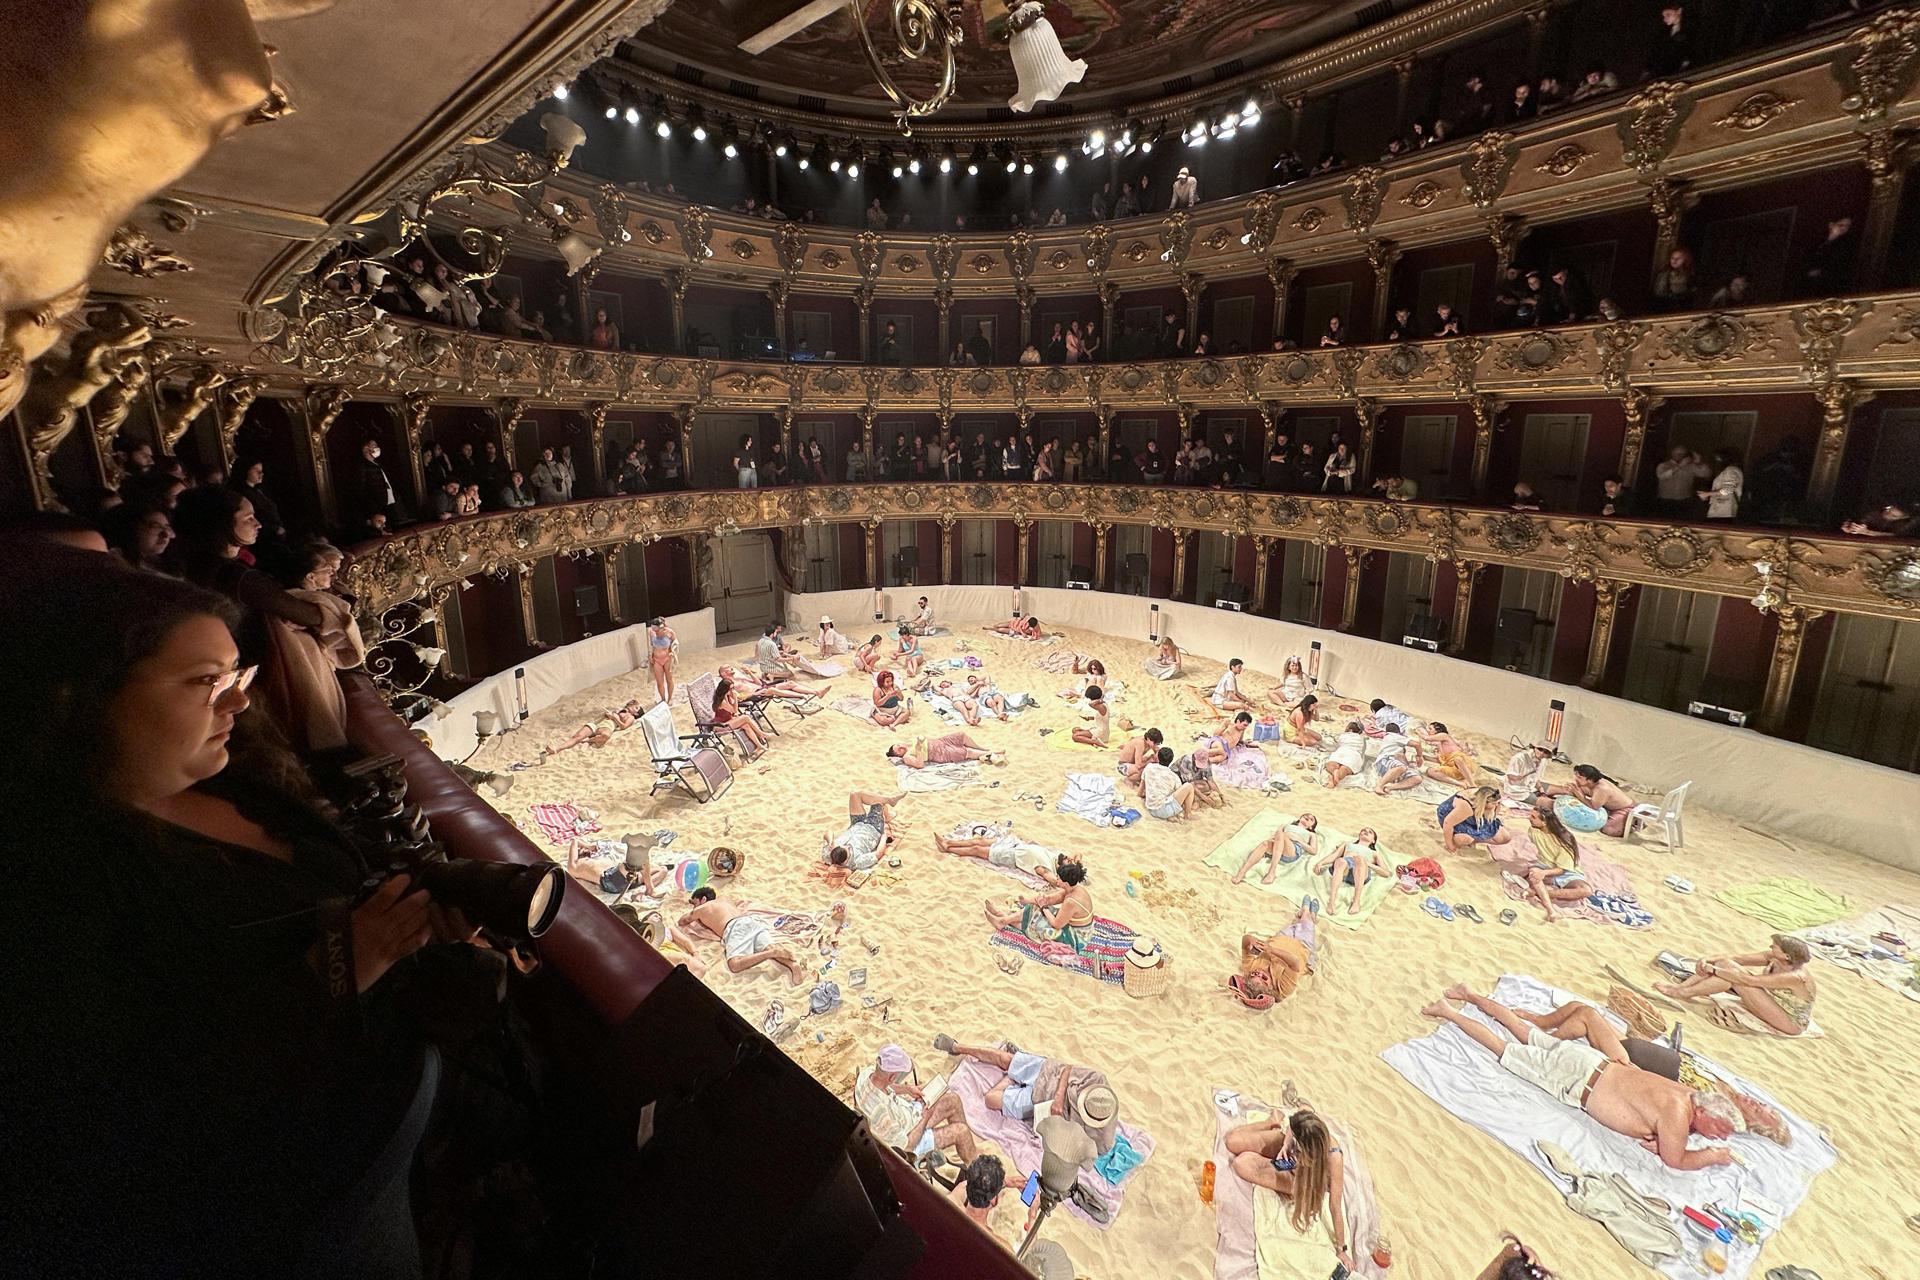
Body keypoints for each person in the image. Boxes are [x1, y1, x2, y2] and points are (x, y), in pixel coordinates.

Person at [3, 550, 471, 1277]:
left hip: (385, 1145)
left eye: (237, 676)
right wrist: (344, 964)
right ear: (81, 695)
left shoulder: (236, 776)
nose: (239, 704)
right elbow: (117, 1126)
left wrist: (415, 915)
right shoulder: (47, 890)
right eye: (205, 683)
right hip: (296, 1220)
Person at [1421, 985, 1740, 1170]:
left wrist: (1668, 1138)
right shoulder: (1678, 1115)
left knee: (1523, 1030)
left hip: (1591, 1062)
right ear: (1702, 1112)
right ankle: (1448, 1011)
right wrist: (1712, 1156)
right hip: (1576, 1080)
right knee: (1502, 1047)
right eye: (1719, 1129)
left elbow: (1662, 1124)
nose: (1719, 1137)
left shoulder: (1685, 1094)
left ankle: (1469, 994)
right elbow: (1675, 1160)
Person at [931, 1037, 1120, 1155]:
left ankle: (1011, 1079)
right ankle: (958, 1047)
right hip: (1049, 1073)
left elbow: (1069, 1149)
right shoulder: (1098, 1082)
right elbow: (1068, 1069)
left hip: (1038, 1103)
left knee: (990, 1100)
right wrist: (1059, 1097)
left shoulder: (1101, 1142)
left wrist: (1056, 1123)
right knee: (1004, 1059)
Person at [1223, 1109, 1355, 1274]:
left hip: (1303, 1179)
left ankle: (1268, 1164)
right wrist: (1286, 1144)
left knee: (1241, 1163)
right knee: (1232, 1141)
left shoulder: (1334, 1158)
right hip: (1290, 1155)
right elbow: (1292, 1127)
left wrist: (1342, 1249)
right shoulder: (1306, 1123)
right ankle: (1271, 1121)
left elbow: (1335, 1206)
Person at [1654, 935, 1818, 1035]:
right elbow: (1737, 958)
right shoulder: (1775, 958)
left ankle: (1683, 993)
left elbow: (1749, 981)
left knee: (1733, 977)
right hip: (1772, 1001)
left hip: (1790, 1021)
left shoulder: (1795, 977)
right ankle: (1682, 990)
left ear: (1787, 956)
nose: (1770, 948)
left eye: (1775, 947)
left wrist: (1715, 969)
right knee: (1726, 966)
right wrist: (1708, 960)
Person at [855, 1044, 981, 1166]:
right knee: (961, 1132)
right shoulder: (882, 1114)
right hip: (911, 1140)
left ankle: (968, 1151)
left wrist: (908, 1089)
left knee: (952, 1100)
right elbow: (906, 1147)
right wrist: (925, 1118)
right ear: (892, 1077)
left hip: (907, 1116)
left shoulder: (867, 1074)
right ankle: (977, 1170)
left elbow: (885, 1084)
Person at [680, 887, 806, 985]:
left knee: (734, 964)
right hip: (751, 921)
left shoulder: (702, 908)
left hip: (734, 928)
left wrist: (695, 911)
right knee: (768, 946)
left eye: (695, 903)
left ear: (703, 899)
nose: (694, 906)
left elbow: (682, 921)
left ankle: (770, 953)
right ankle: (793, 966)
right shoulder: (724, 899)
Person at [984, 857, 1094, 944]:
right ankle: (1004, 919)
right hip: (1069, 924)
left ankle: (1003, 920)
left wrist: (1043, 907)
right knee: (1033, 908)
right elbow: (1050, 899)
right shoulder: (1073, 888)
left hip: (1075, 938)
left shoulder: (1071, 901)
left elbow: (1056, 924)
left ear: (1065, 883)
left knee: (1037, 921)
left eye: (1059, 878)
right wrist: (1028, 900)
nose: (1056, 879)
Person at [1519, 807, 1594, 922]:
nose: (1529, 818)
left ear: (1544, 822)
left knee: (1586, 890)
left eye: (1533, 817)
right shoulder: (1533, 830)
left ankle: (1537, 893)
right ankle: (1551, 910)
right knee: (1534, 873)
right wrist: (1541, 872)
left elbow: (1562, 870)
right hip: (1544, 865)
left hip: (1566, 871)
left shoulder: (1564, 841)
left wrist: (1544, 873)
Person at [1534, 763, 1633, 836]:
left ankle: (1630, 825)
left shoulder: (1602, 789)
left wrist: (1579, 794)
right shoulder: (1588, 783)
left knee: (1607, 830)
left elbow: (1593, 806)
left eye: (1579, 777)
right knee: (1568, 790)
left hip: (1624, 809)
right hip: (1604, 805)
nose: (1576, 779)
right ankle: (1541, 791)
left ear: (1589, 779)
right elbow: (1577, 792)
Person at [823, 789, 905, 872]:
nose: (848, 846)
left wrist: (830, 841)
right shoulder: (857, 861)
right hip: (873, 827)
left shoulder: (829, 854)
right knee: (878, 799)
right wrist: (884, 836)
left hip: (856, 823)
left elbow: (828, 832)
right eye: (848, 849)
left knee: (854, 795)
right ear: (846, 860)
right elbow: (878, 853)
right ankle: (889, 808)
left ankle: (889, 806)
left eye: (844, 846)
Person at [1233, 813, 1322, 885]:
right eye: (1306, 816)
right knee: (1265, 843)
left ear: (1311, 827)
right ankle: (1242, 873)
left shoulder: (1311, 834)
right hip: (1278, 845)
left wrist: (1299, 840)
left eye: (1311, 819)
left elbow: (1314, 851)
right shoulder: (1286, 825)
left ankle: (1272, 872)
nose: (1308, 817)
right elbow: (1276, 835)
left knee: (1281, 834)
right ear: (1300, 818)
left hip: (1293, 850)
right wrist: (1272, 840)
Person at [1315, 829, 1389, 915]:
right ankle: (1331, 902)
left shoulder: (1374, 853)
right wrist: (1321, 863)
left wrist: (1368, 863)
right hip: (1344, 868)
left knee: (1360, 859)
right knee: (1340, 860)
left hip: (1361, 870)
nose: (1366, 832)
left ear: (1373, 840)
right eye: (1364, 830)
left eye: (1370, 832)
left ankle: (1356, 902)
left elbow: (1386, 873)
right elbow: (1335, 855)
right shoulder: (1347, 844)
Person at [545, 700, 644, 755]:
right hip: (598, 722)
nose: (633, 706)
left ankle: (587, 740)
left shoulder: (630, 717)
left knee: (606, 735)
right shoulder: (620, 709)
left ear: (636, 714)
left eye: (636, 708)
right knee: (576, 737)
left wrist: (615, 718)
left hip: (608, 725)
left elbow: (623, 727)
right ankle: (556, 749)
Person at [709, 677, 770, 758]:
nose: (732, 691)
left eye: (732, 688)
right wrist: (735, 698)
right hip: (720, 726)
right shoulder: (722, 702)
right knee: (745, 717)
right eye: (730, 689)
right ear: (725, 690)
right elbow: (735, 710)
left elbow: (741, 698)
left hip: (727, 721)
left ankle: (759, 746)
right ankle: (761, 734)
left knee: (746, 725)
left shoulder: (726, 696)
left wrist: (755, 693)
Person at [1438, 785, 1511, 853]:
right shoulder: (1466, 807)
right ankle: (1459, 839)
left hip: (1476, 814)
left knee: (1504, 837)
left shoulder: (1492, 795)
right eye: (1494, 804)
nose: (1496, 805)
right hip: (1453, 817)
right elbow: (1447, 823)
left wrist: (1493, 812)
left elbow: (1496, 809)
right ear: (1485, 803)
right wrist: (1450, 846)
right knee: (1465, 839)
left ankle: (1475, 839)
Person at [1140, 745, 1197, 820]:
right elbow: (1180, 796)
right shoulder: (1173, 776)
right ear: (1171, 760)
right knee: (1189, 786)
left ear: (1158, 757)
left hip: (1150, 808)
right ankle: (1188, 814)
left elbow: (1140, 790)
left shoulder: (1149, 767)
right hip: (1163, 810)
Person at [887, 733, 1004, 768]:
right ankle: (992, 753)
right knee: (966, 752)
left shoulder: (908, 742)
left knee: (961, 735)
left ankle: (980, 748)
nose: (901, 747)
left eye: (898, 745)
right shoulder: (906, 757)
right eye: (898, 750)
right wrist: (918, 750)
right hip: (940, 753)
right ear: (898, 755)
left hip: (941, 742)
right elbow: (920, 764)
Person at [1654, 445, 1710, 517]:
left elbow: (1706, 474)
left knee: (1682, 519)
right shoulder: (1663, 465)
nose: (1680, 456)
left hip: (1684, 500)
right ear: (1672, 454)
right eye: (1678, 454)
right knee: (1664, 519)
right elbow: (1662, 476)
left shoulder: (1691, 466)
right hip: (1666, 499)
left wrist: (1699, 463)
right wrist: (1679, 466)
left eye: (1683, 454)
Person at [1417, 722, 1476, 786]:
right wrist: (1423, 757)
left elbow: (1427, 738)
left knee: (1457, 759)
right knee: (1430, 771)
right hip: (1452, 768)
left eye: (1430, 729)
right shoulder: (1439, 745)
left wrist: (1418, 732)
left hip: (1462, 765)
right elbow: (1441, 760)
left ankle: (1472, 784)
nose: (1428, 730)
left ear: (1437, 730)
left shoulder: (1444, 735)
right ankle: (1460, 783)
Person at [1369, 729, 1425, 795]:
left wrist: (1409, 764)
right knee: (1401, 767)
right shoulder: (1393, 736)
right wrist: (1419, 756)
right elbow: (1417, 744)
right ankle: (1379, 786)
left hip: (1395, 768)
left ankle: (1390, 786)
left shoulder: (1395, 746)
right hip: (1385, 761)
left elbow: (1402, 761)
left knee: (1417, 778)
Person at [1319, 720, 1369, 789]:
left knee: (1331, 764)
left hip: (1341, 752)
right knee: (1345, 769)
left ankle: (1333, 774)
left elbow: (1338, 745)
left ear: (1350, 730)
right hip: (1354, 755)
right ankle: (1336, 777)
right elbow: (1363, 751)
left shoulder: (1343, 736)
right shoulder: (1362, 739)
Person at [1697, 448, 1743, 520]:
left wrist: (1707, 494)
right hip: (1722, 510)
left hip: (1725, 511)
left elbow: (1728, 489)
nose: (1716, 461)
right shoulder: (1727, 471)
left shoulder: (1730, 471)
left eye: (1718, 458)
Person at [644, 616, 677, 704]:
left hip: (667, 658)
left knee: (669, 679)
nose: (656, 632)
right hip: (657, 660)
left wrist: (672, 652)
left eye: (658, 630)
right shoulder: (651, 633)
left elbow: (675, 643)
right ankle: (663, 699)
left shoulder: (669, 633)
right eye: (655, 630)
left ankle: (670, 698)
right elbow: (650, 646)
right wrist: (650, 656)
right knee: (659, 681)